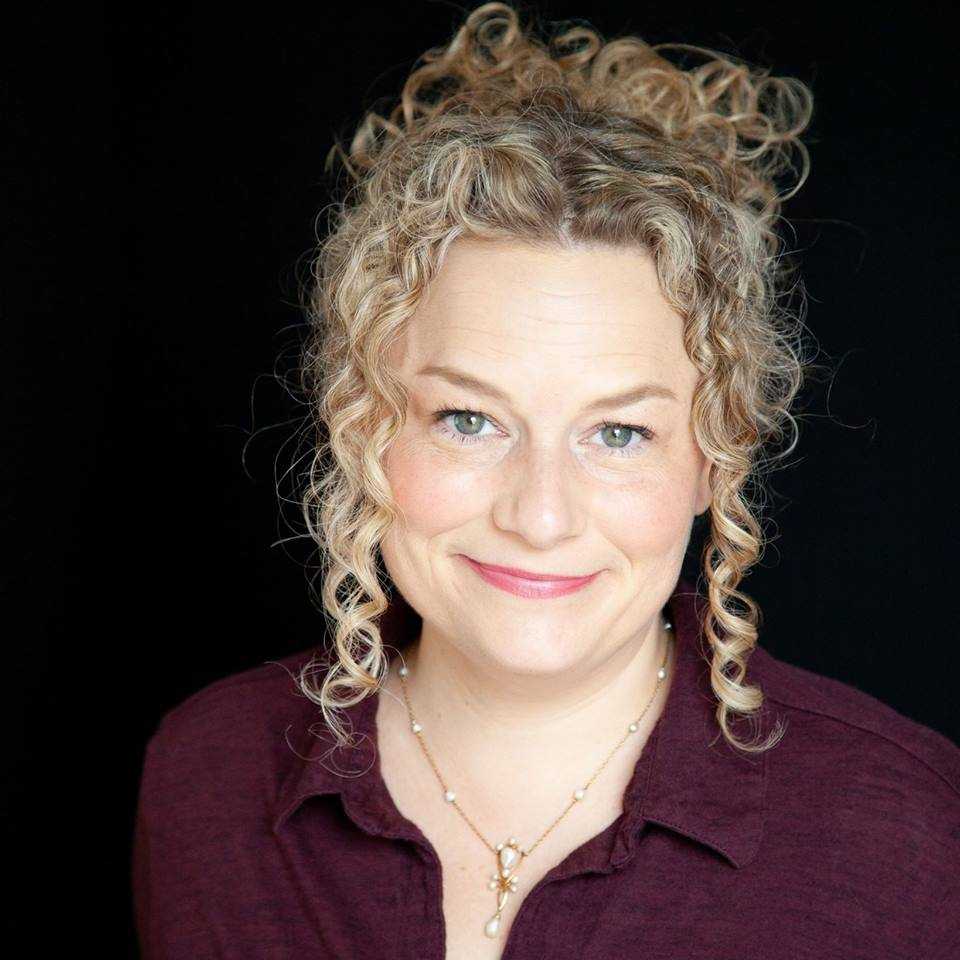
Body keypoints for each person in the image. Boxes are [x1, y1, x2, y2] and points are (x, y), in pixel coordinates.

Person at [131, 4, 960, 957]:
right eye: (468, 420)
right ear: (362, 426)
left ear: (715, 458)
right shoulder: (205, 776)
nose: (539, 513)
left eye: (618, 432)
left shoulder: (903, 833)